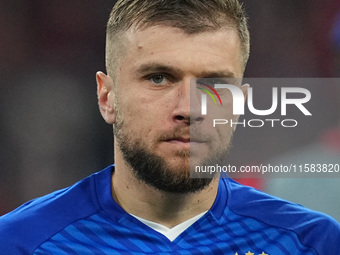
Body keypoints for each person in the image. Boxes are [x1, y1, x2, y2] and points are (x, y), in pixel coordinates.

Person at [0, 0, 339, 254]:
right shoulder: (20, 242)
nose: (189, 109)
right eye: (159, 78)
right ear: (107, 97)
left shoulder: (312, 242)